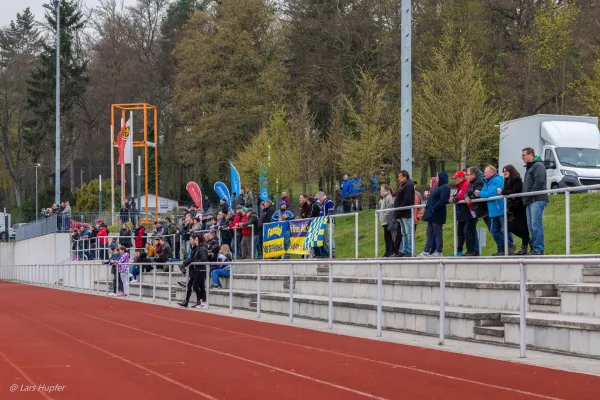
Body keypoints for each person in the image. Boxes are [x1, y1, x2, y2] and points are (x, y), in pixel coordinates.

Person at [476, 165, 515, 256]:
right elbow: (486, 193)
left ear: (492, 172)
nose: (484, 174)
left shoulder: (497, 180)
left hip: (500, 208)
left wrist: (481, 193)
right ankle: (503, 247)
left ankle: (509, 246)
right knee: (494, 231)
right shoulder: (486, 181)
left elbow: (491, 193)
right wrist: (483, 193)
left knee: (505, 229)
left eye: (486, 172)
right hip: (493, 210)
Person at [522, 147, 548, 255]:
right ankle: (534, 248)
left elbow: (539, 181)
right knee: (531, 226)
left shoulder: (538, 165)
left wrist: (530, 194)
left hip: (536, 199)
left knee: (536, 225)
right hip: (530, 199)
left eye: (524, 155)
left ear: (531, 155)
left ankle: (538, 249)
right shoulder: (530, 167)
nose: (522, 157)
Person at [418, 172, 450, 257]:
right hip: (431, 214)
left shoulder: (445, 187)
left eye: (437, 177)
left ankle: (438, 251)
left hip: (437, 214)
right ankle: (426, 250)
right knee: (429, 232)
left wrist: (433, 208)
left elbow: (443, 200)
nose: (436, 178)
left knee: (437, 232)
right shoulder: (439, 187)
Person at [501, 165, 530, 255]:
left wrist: (503, 192)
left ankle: (524, 247)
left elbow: (515, 191)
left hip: (519, 206)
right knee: (510, 227)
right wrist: (505, 192)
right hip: (512, 207)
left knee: (522, 227)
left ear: (511, 171)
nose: (504, 173)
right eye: (503, 171)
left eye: (506, 171)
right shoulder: (506, 181)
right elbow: (507, 191)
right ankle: (529, 240)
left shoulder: (516, 180)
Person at [450, 171, 477, 256]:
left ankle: (471, 251)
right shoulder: (458, 186)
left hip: (469, 212)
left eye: (456, 178)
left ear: (461, 178)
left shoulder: (465, 184)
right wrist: (452, 197)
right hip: (461, 213)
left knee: (467, 231)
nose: (455, 180)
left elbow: (461, 196)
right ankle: (459, 250)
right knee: (460, 232)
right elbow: (454, 195)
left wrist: (453, 199)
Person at [178, 233, 208, 309]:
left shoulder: (201, 248)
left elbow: (202, 259)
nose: (193, 241)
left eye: (195, 239)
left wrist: (189, 262)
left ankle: (201, 302)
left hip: (199, 269)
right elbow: (194, 258)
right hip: (196, 269)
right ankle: (194, 301)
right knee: (194, 286)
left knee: (198, 286)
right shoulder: (197, 248)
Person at [394, 171, 415, 257]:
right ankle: (405, 250)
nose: (398, 179)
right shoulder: (403, 185)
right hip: (402, 213)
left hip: (405, 212)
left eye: (400, 177)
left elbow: (407, 200)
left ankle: (409, 250)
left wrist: (399, 210)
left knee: (408, 232)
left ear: (405, 176)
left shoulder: (409, 185)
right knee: (404, 232)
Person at [378, 184, 395, 257]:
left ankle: (389, 252)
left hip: (387, 221)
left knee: (388, 238)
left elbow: (390, 209)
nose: (380, 191)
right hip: (384, 221)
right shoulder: (383, 199)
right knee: (386, 238)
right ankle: (388, 252)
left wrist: (385, 217)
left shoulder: (388, 197)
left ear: (385, 190)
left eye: (381, 190)